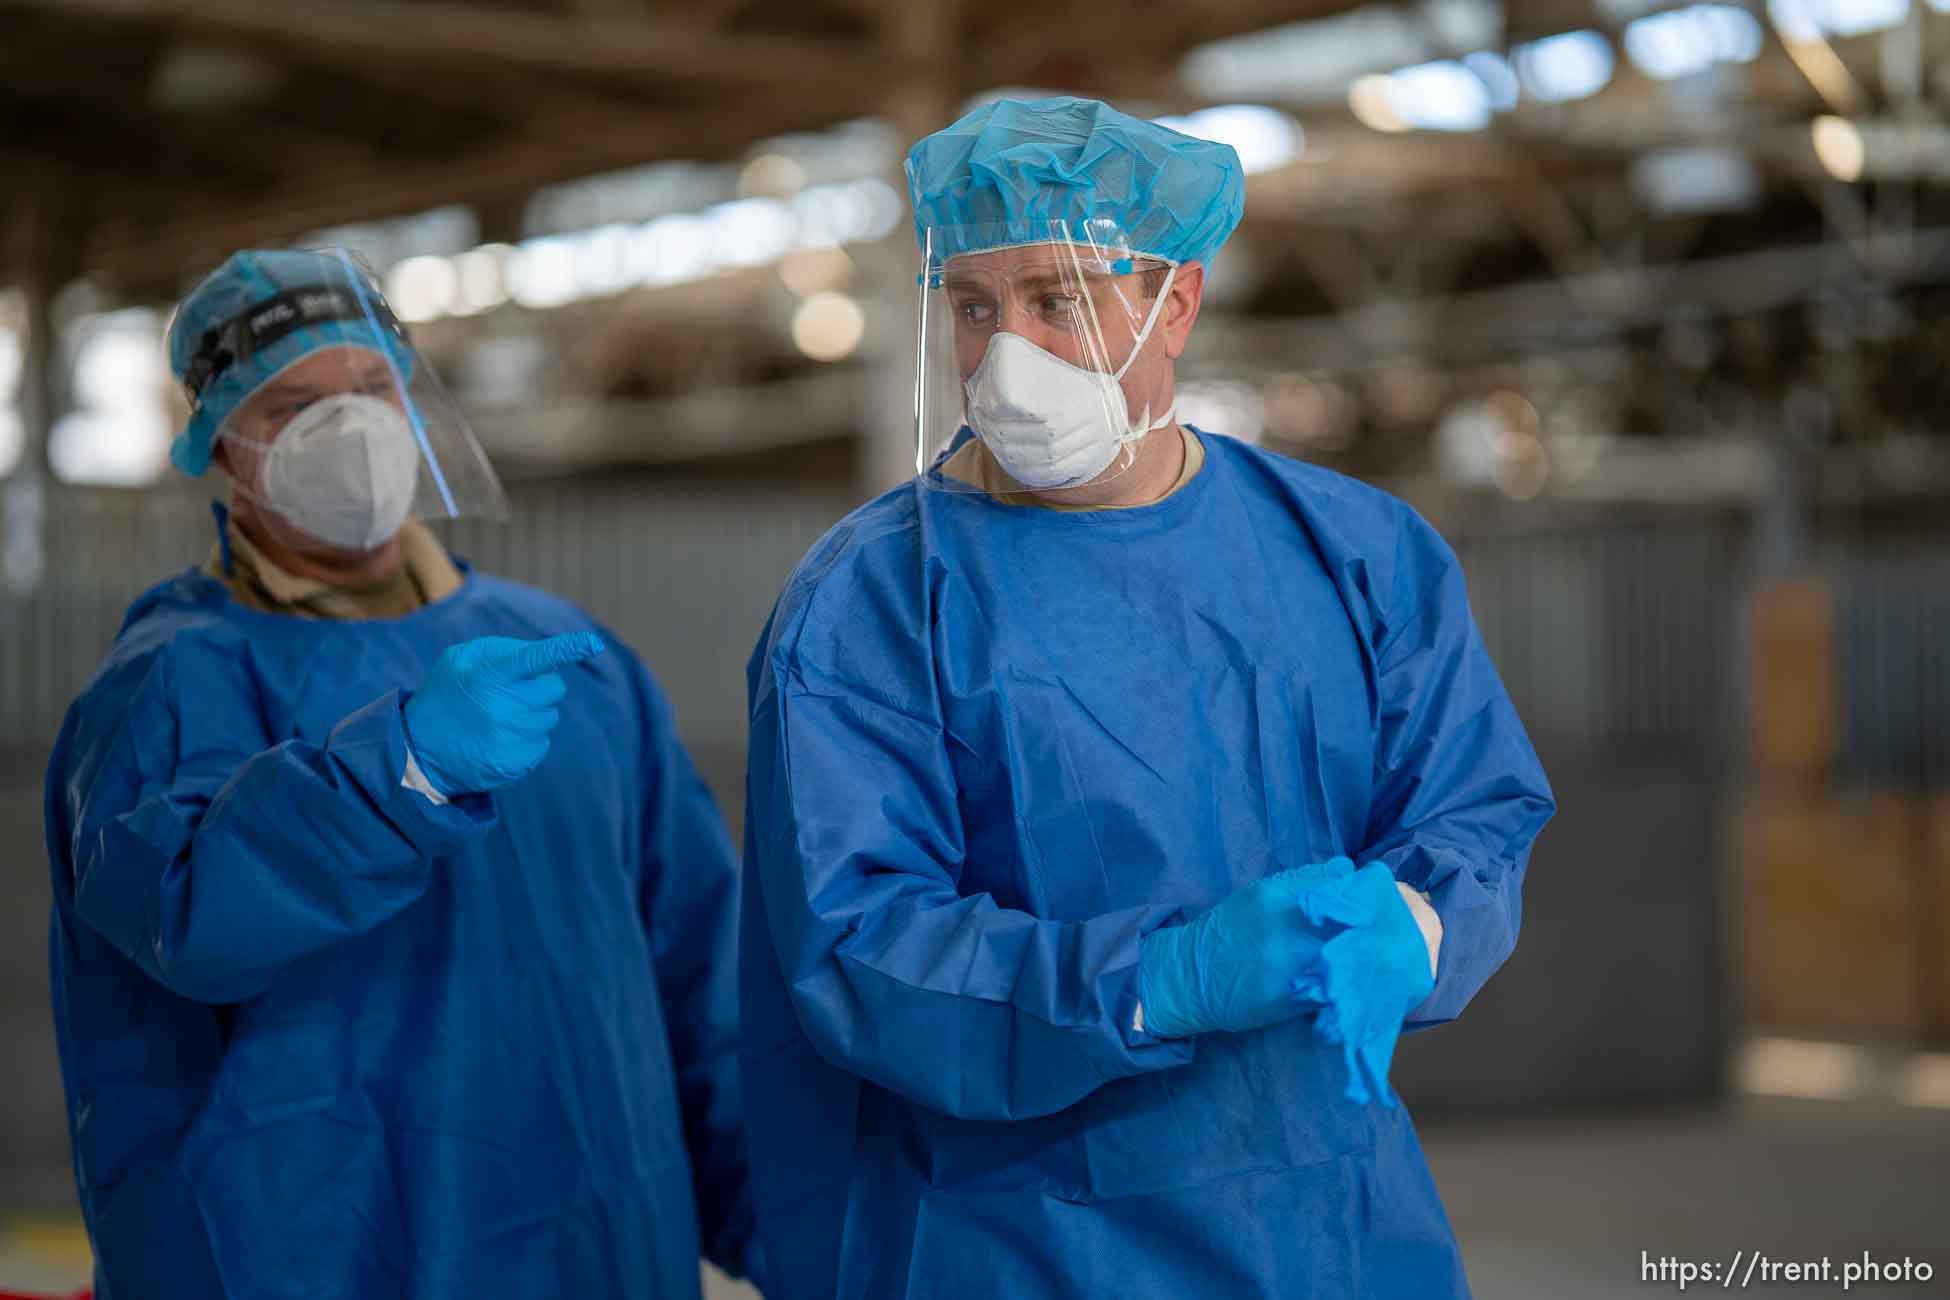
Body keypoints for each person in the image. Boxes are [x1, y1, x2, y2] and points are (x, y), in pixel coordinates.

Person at [740, 97, 1555, 1298]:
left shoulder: (1358, 554)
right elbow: (859, 945)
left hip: (1335, 1229)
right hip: (1019, 1246)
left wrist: (1425, 924)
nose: (1004, 351)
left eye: (1055, 300)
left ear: (1173, 300)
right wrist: (1156, 979)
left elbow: (1475, 810)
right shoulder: (873, 603)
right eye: (974, 306)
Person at [44, 248, 760, 1299]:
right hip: (307, 1257)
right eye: (295, 405)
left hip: (600, 1248)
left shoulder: (568, 661)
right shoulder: (168, 690)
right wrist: (402, 772)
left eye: (374, 387)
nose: (353, 428)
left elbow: (707, 989)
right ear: (221, 444)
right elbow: (189, 913)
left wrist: (802, 1234)